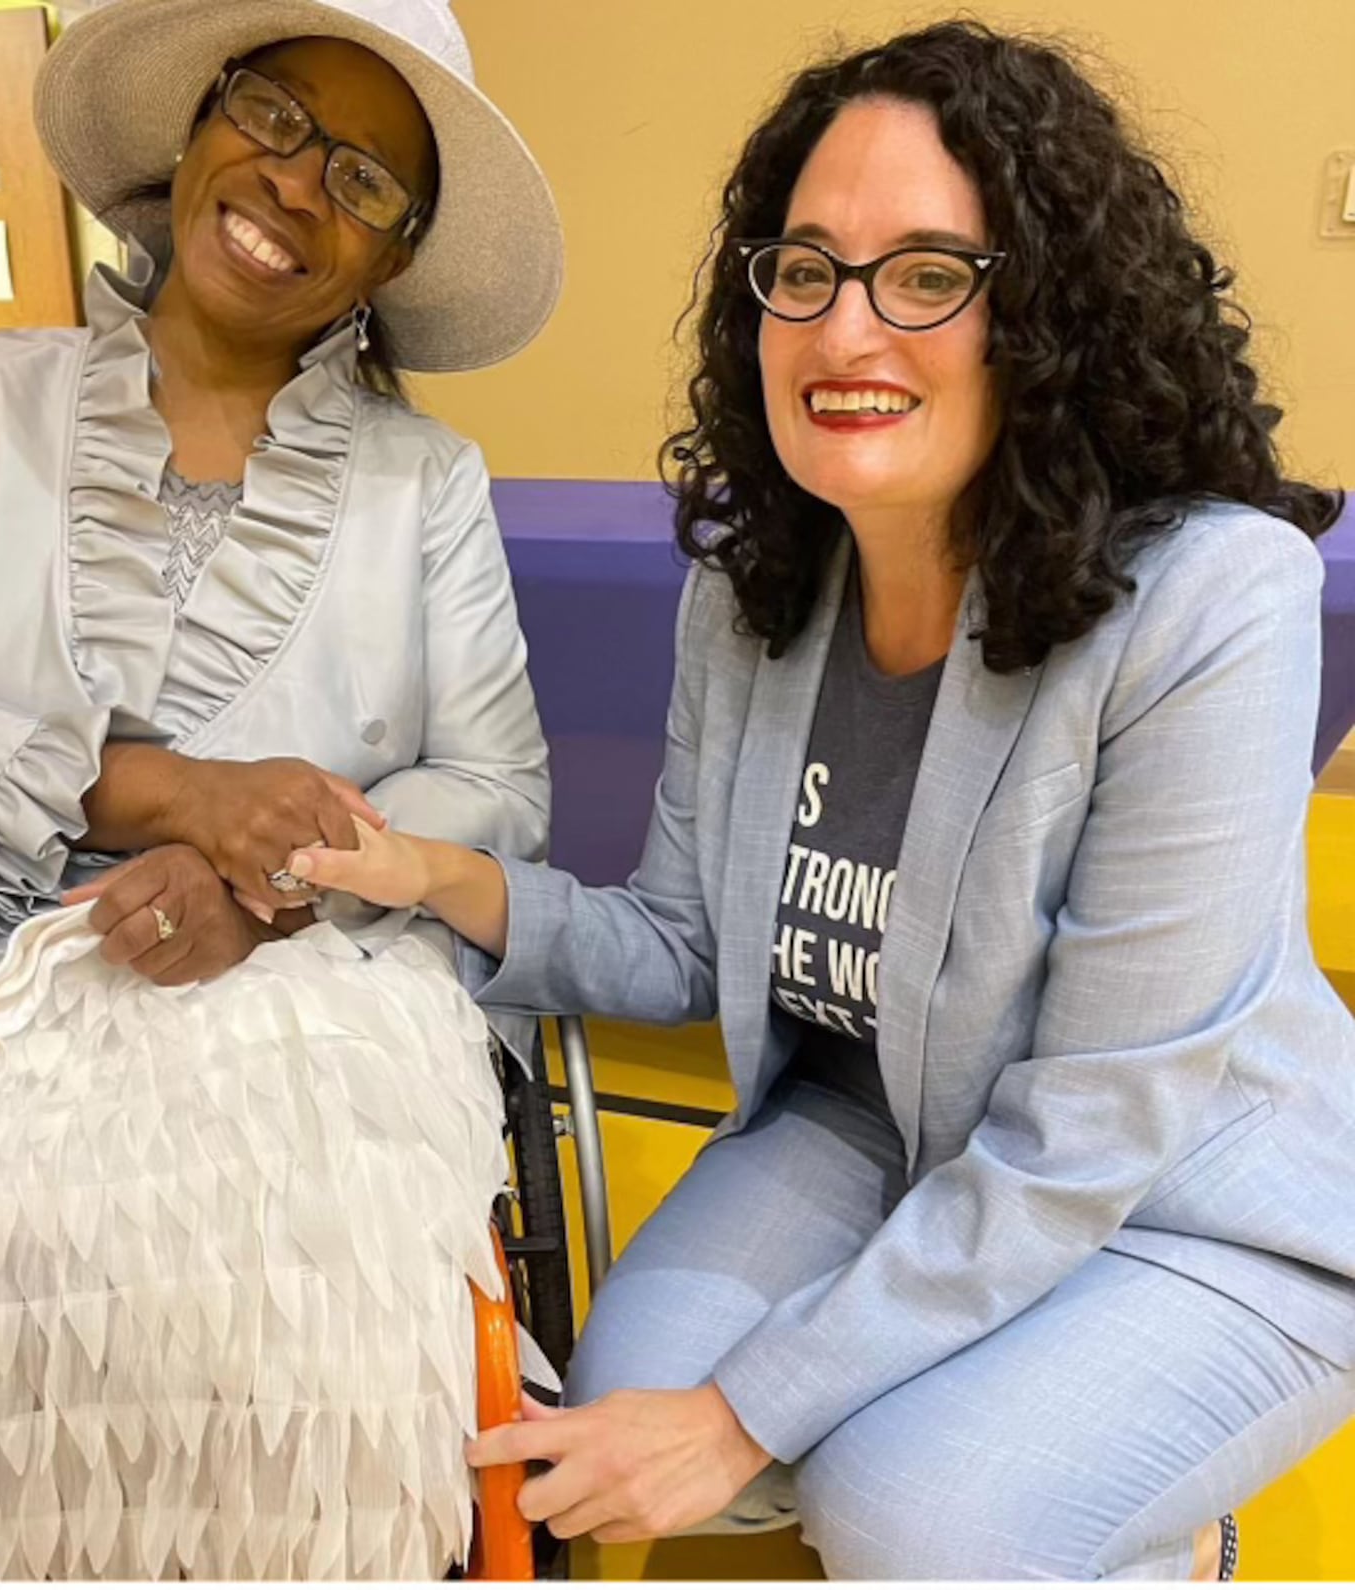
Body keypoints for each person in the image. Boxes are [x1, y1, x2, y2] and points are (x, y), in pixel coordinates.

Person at [286, 20, 1355, 1580]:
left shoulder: (1214, 601)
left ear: (1046, 316)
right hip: (882, 1133)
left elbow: (1091, 1125)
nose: (846, 330)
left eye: (928, 275)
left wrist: (745, 1409)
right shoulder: (754, 593)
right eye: (805, 269)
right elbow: (682, 940)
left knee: (902, 1509)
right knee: (623, 1419)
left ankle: (1162, 1526)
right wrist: (433, 875)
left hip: (1188, 1200)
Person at [0, 0, 561, 1577]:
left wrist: (271, 886)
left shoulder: (426, 485)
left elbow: (495, 786)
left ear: (391, 261)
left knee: (295, 1298)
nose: (295, 184)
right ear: (192, 129)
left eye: (367, 178)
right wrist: (176, 794)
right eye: (269, 115)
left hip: (280, 965)